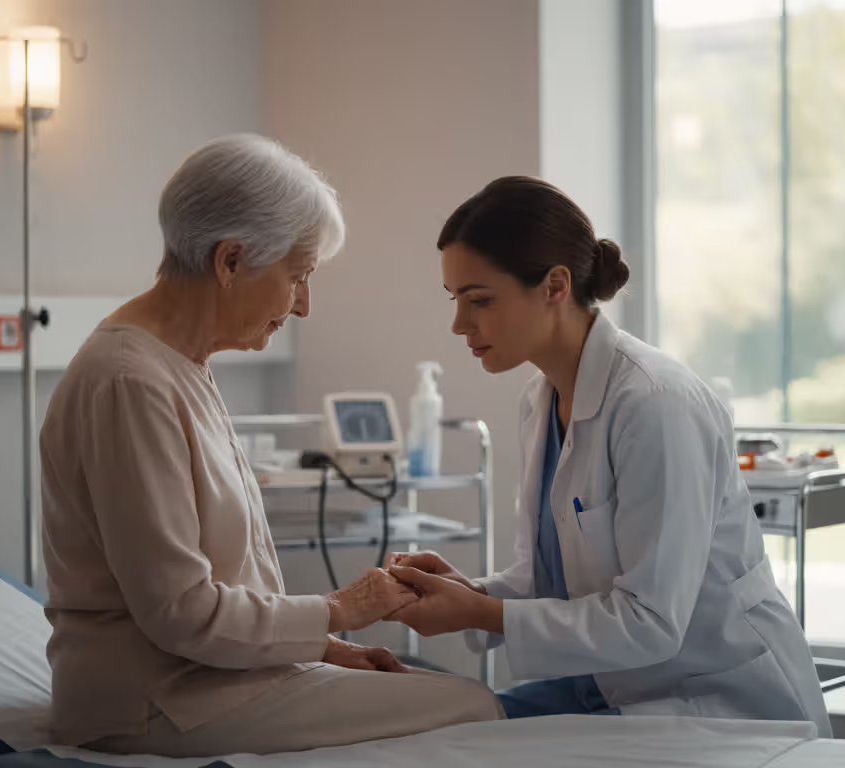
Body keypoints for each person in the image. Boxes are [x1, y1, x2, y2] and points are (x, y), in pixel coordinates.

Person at [40, 135, 503, 759]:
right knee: (475, 709)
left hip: (208, 678)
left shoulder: (178, 364)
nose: (304, 305)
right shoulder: (131, 382)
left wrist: (323, 648)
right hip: (153, 700)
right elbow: (181, 612)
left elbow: (217, 585)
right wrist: (341, 609)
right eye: (299, 276)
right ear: (230, 261)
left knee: (448, 695)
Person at [386, 176, 831, 736]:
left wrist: (476, 612)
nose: (459, 325)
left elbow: (651, 622)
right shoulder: (540, 399)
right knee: (439, 727)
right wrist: (465, 593)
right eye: (455, 301)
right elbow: (548, 582)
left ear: (554, 286)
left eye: (480, 300)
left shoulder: (655, 403)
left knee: (462, 736)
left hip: (715, 700)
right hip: (607, 686)